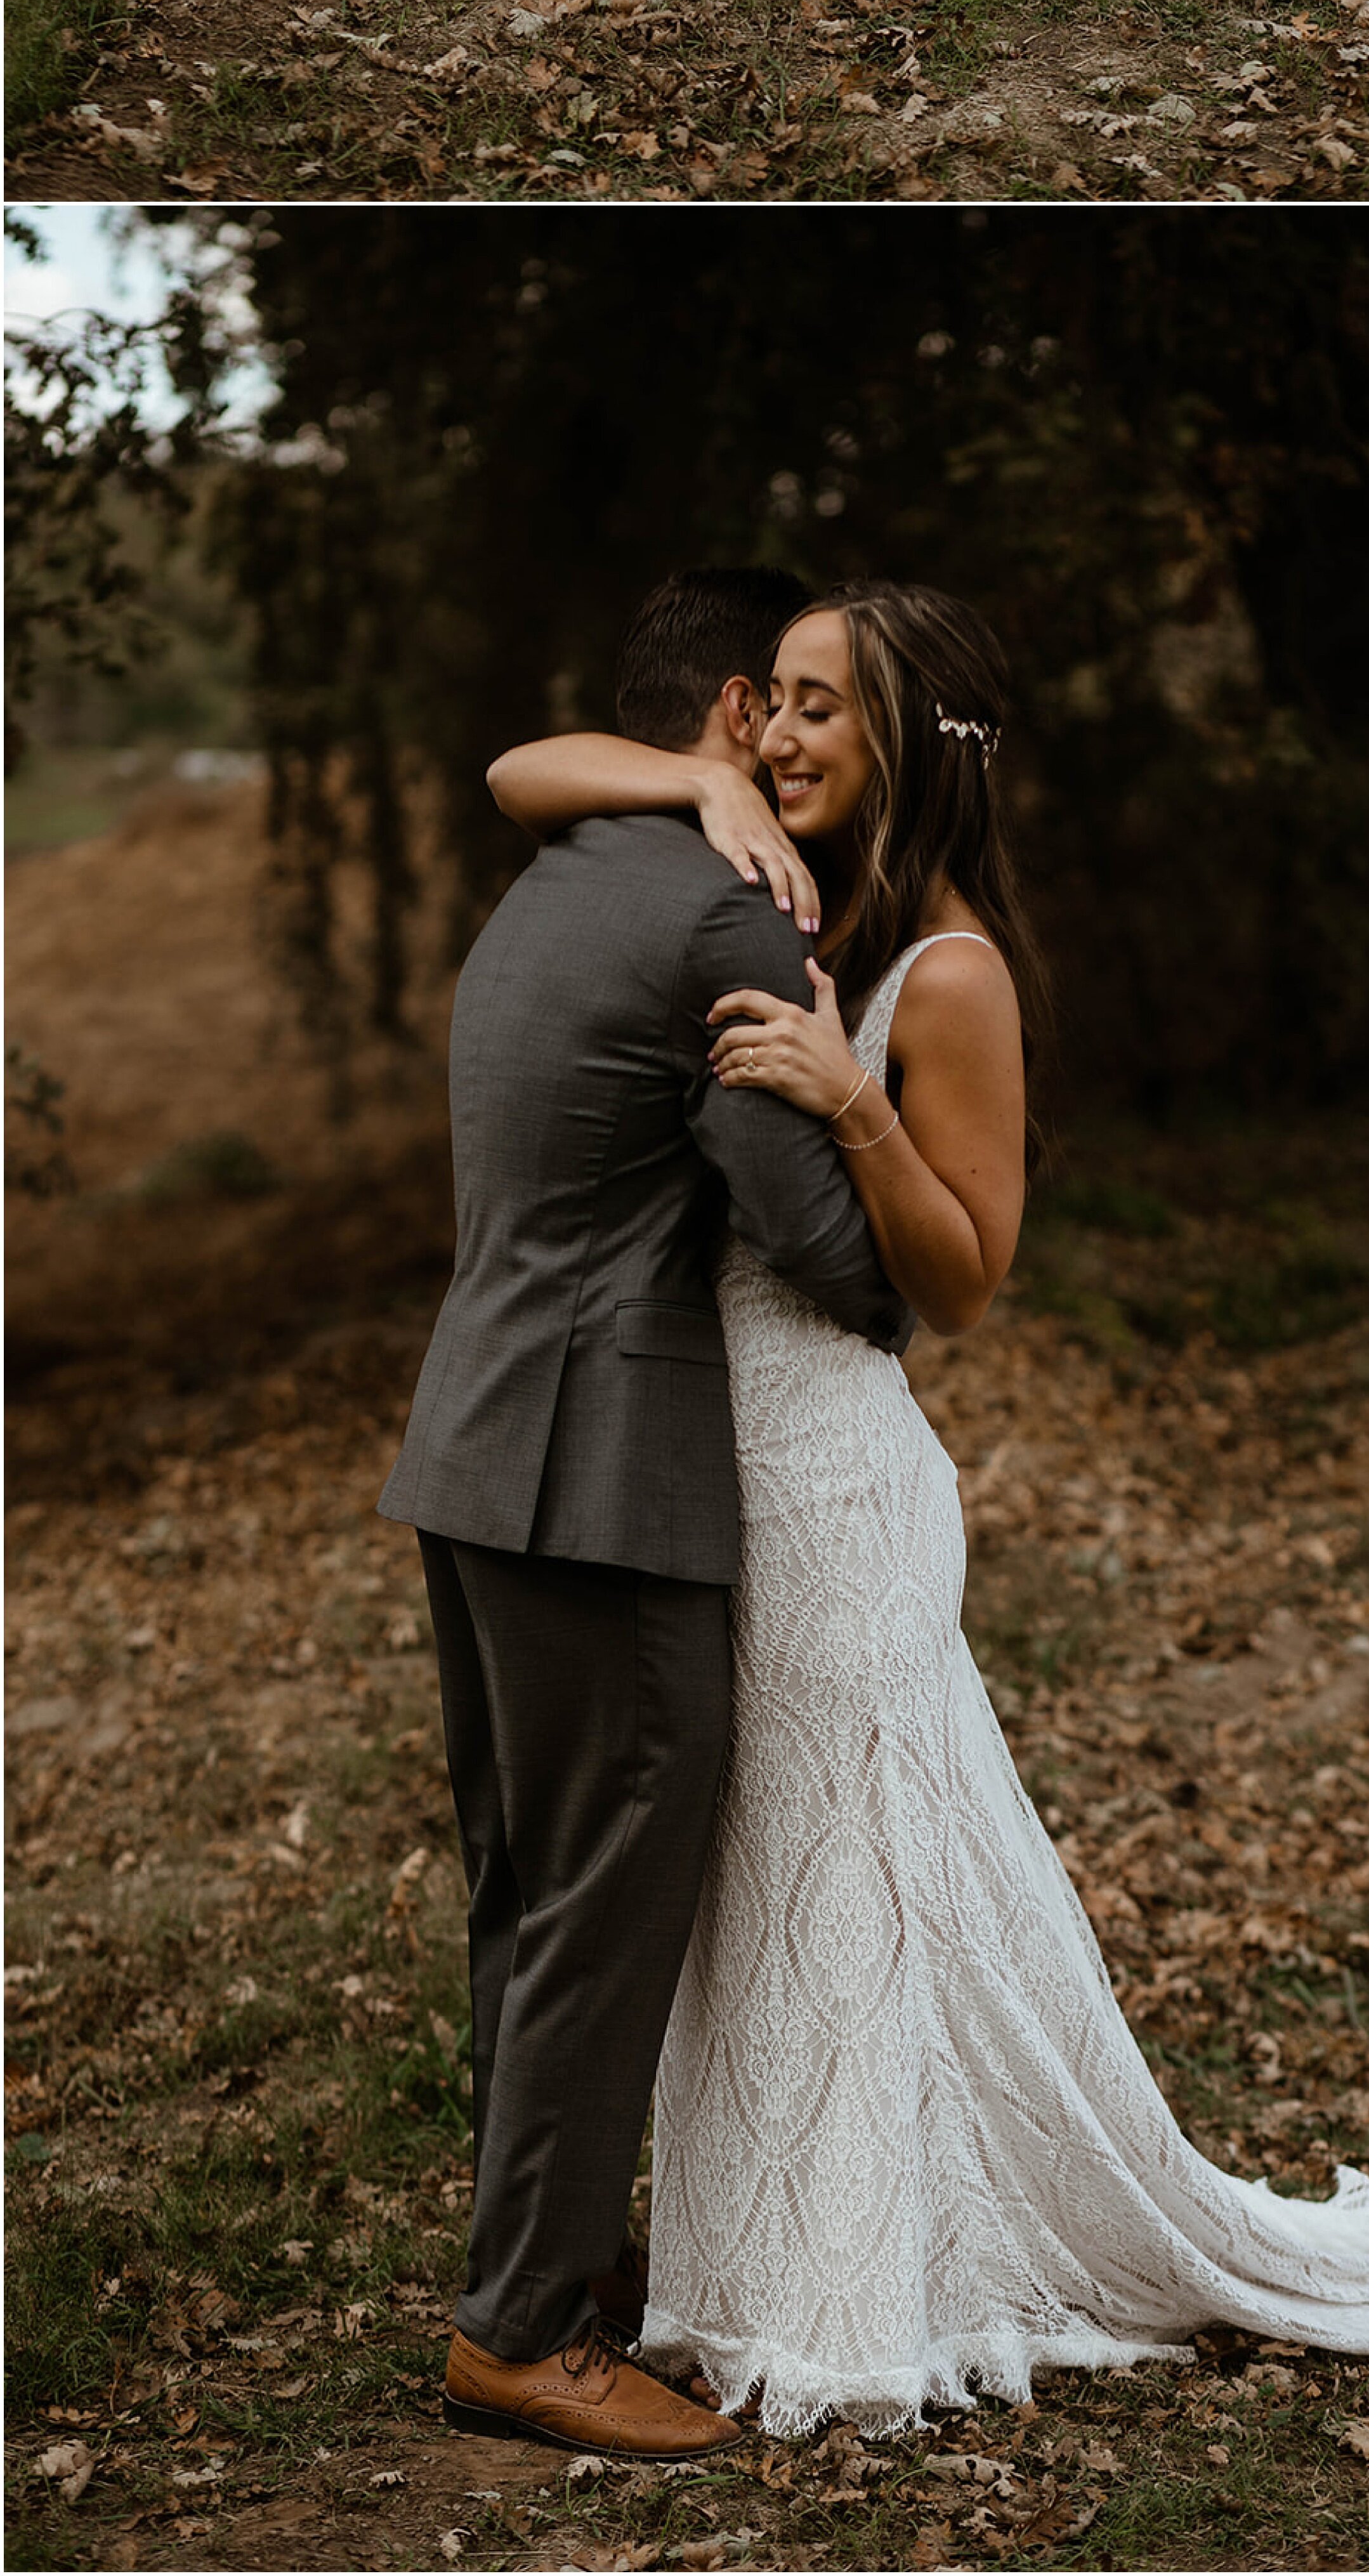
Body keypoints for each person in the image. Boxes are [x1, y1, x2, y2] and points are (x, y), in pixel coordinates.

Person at [498, 580, 1369, 2431]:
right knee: (748, 1868)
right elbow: (523, 767)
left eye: (823, 712)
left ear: (908, 740)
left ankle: (848, 2284)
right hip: (700, 1468)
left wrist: (856, 1103)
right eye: (774, 710)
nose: (780, 736)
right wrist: (700, 793)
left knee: (844, 1862)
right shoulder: (765, 891)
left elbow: (967, 1278)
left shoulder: (958, 972)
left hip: (829, 1469)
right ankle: (751, 2243)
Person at [377, 565, 908, 2463]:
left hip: (473, 1442)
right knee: (616, 1879)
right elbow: (822, 1240)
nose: (788, 734)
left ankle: (561, 2259)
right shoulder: (724, 915)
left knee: (530, 1889)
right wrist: (881, 1168)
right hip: (603, 1478)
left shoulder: (554, 886)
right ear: (730, 719)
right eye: (770, 706)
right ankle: (521, 2332)